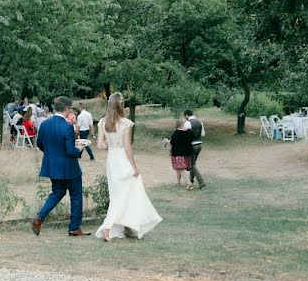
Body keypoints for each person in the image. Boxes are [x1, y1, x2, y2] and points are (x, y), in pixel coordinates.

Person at [95, 93, 162, 241]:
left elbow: (99, 146)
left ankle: (128, 226)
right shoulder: (126, 123)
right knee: (127, 193)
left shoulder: (102, 122)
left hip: (112, 161)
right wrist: (134, 167)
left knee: (119, 194)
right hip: (123, 160)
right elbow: (127, 147)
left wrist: (109, 144)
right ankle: (108, 226)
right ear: (121, 105)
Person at [31, 96, 90, 237]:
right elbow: (70, 151)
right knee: (76, 196)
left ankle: (40, 216)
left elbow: (39, 143)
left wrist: (52, 153)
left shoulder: (44, 124)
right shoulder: (67, 127)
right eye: (70, 108)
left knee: (57, 192)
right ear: (66, 109)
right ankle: (74, 228)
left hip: (53, 167)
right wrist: (80, 148)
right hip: (70, 168)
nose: (71, 111)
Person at [167, 121, 194, 188]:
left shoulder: (176, 133)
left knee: (180, 168)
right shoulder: (187, 133)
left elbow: (172, 142)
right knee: (179, 169)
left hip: (177, 154)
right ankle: (178, 183)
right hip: (186, 154)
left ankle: (189, 183)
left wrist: (167, 141)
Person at [184, 109, 206, 190]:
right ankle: (191, 180)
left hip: (192, 145)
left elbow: (185, 135)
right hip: (199, 144)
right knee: (193, 163)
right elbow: (203, 134)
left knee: (191, 164)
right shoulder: (200, 122)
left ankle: (201, 181)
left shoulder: (187, 123)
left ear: (186, 115)